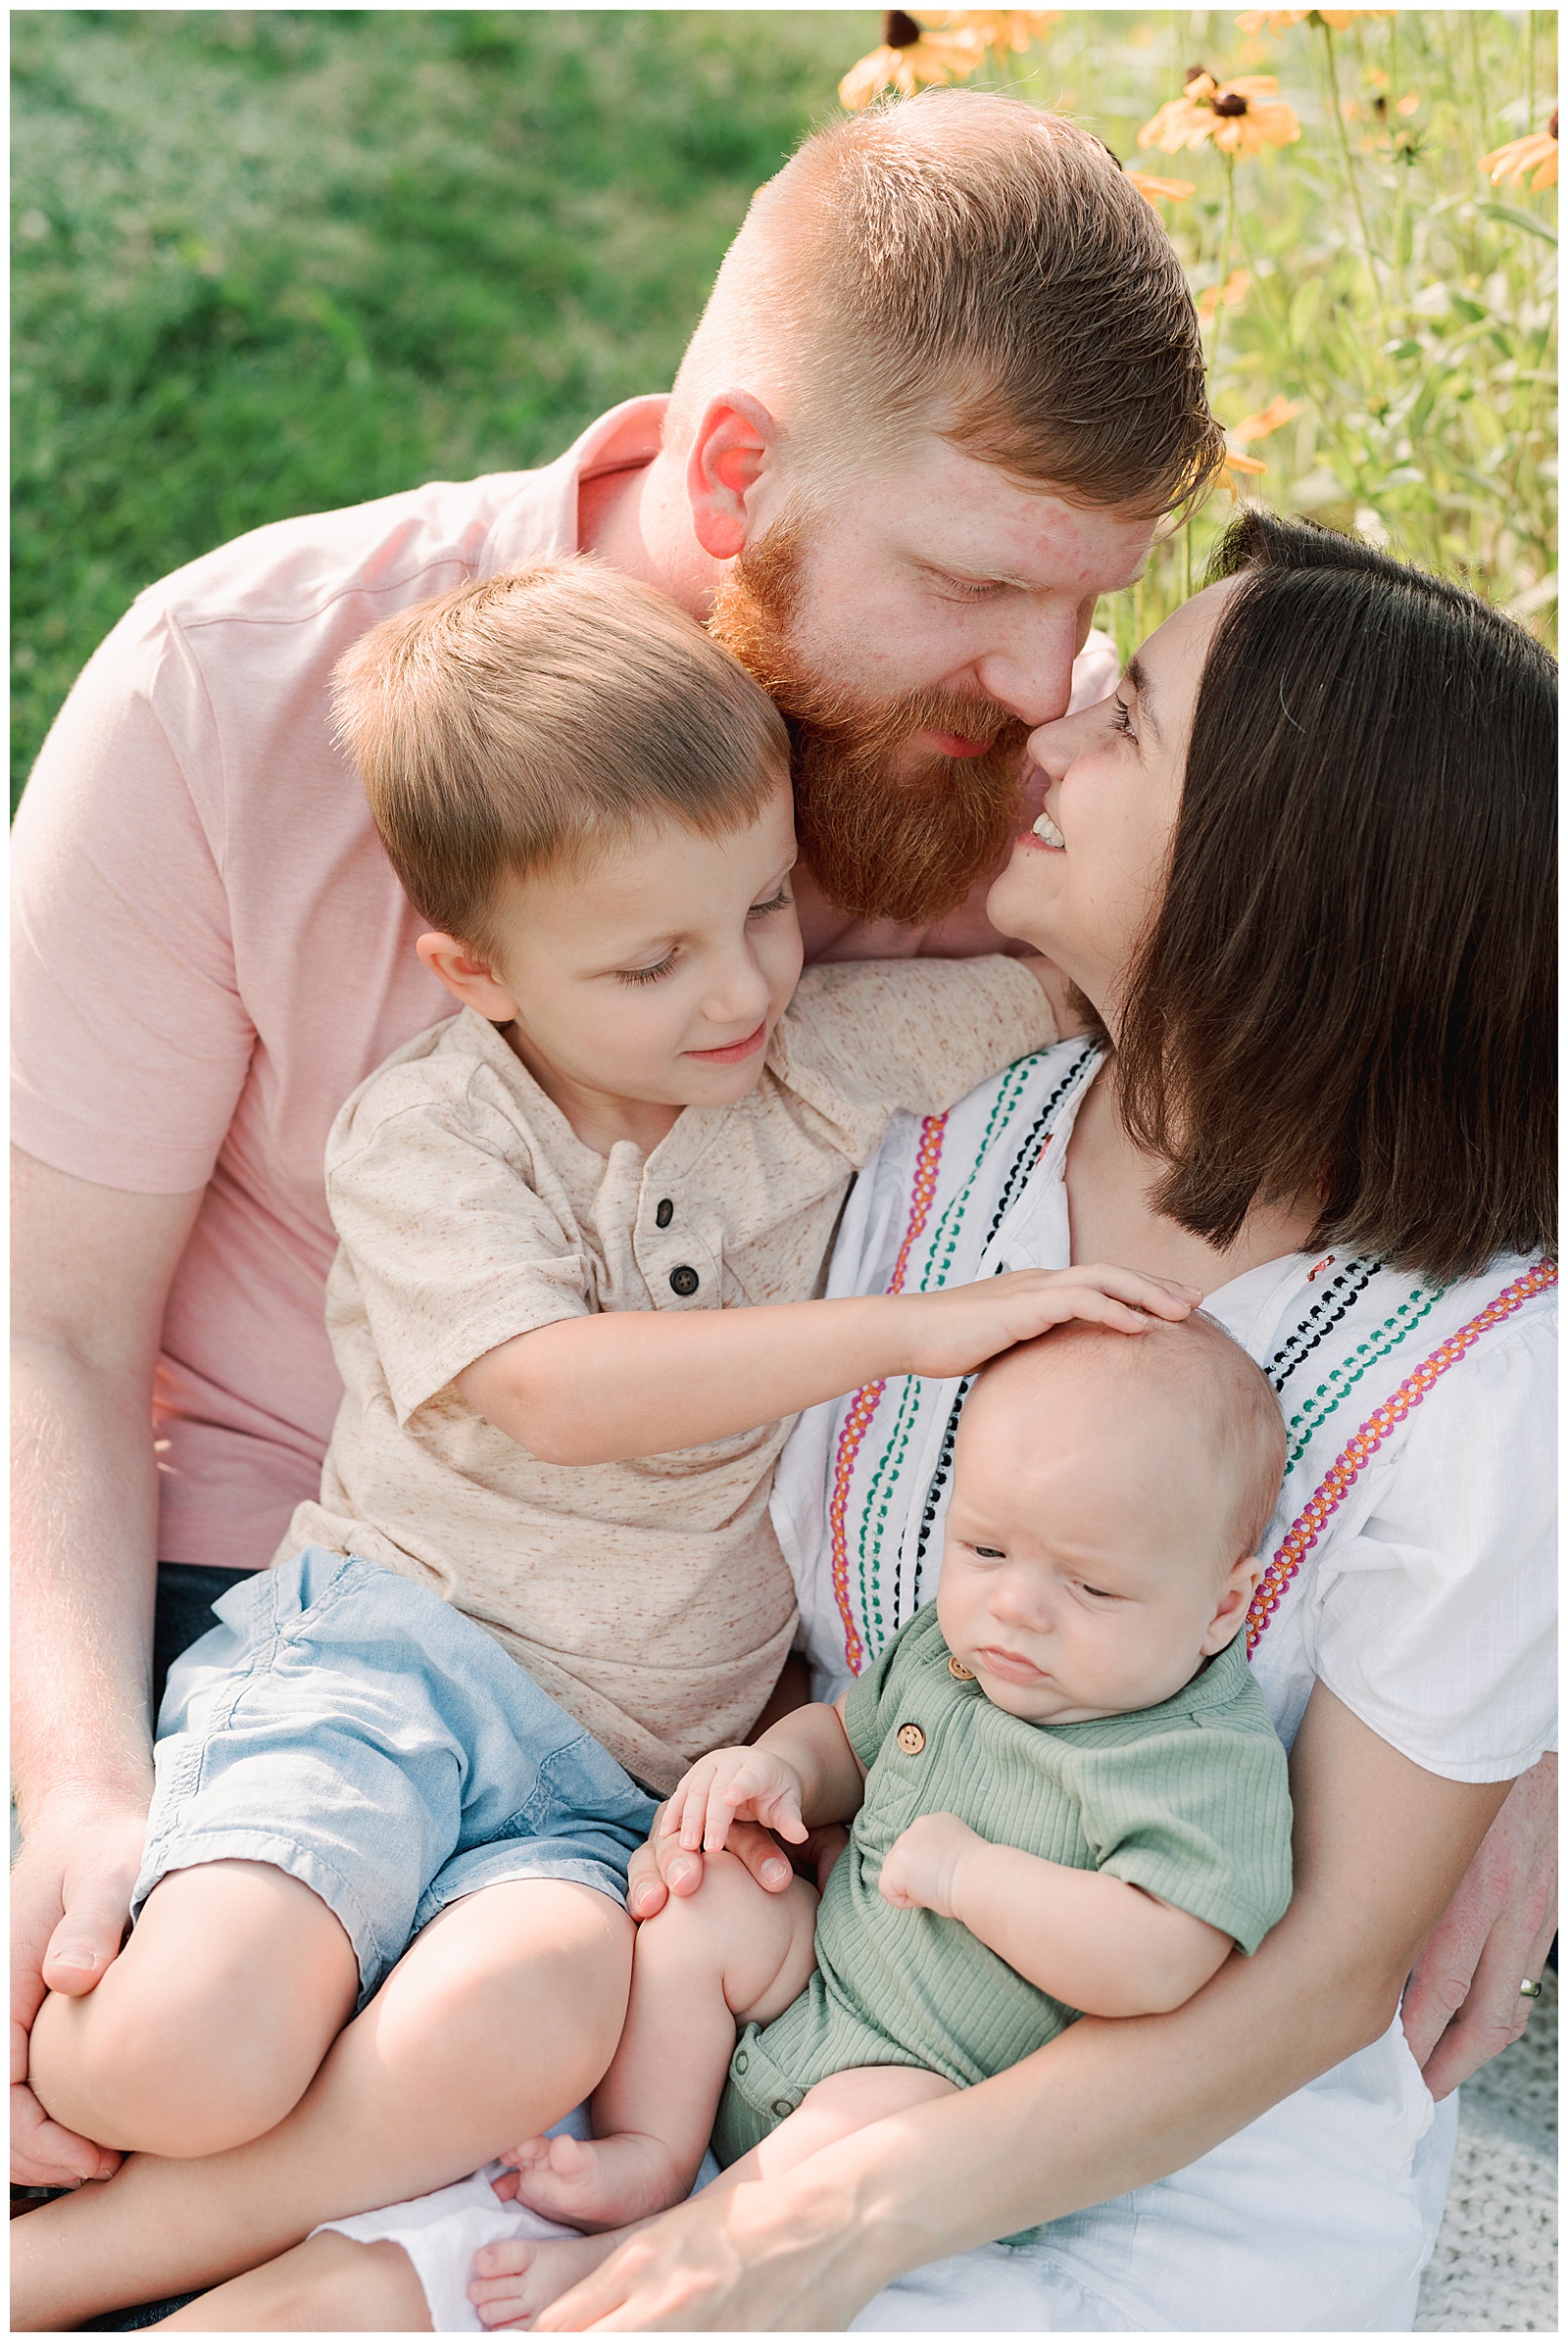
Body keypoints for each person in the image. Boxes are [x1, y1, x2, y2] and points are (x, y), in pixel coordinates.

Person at [11, 87, 1213, 2200]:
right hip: (257, 1607)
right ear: (735, 471)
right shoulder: (238, 692)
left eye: (1088, 601)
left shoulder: (1037, 789)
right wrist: (89, 1795)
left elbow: (1398, 1120)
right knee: (175, 2035)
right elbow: (47, 1328)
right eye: (970, 583)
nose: (1043, 684)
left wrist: (1506, 1753)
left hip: (682, 1762)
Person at [470, 512, 1550, 2335]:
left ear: (1285, 877)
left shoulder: (1485, 1368)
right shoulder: (929, 1131)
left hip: (1177, 2146)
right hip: (798, 1968)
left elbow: (1316, 1977)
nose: (1051, 730)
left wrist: (834, 2222)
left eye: (1133, 726)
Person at [462, 1315, 1293, 2331]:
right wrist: (776, 1769)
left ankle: (648, 2259)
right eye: (983, 1546)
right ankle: (650, 2148)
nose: (1016, 1606)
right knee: (706, 1892)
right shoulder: (956, 1648)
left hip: (939, 2083)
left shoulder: (1198, 1760)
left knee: (871, 2126)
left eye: (1091, 1583)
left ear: (1221, 1604)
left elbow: (1159, 1958)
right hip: (814, 1972)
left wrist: (968, 1875)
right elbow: (847, 1742)